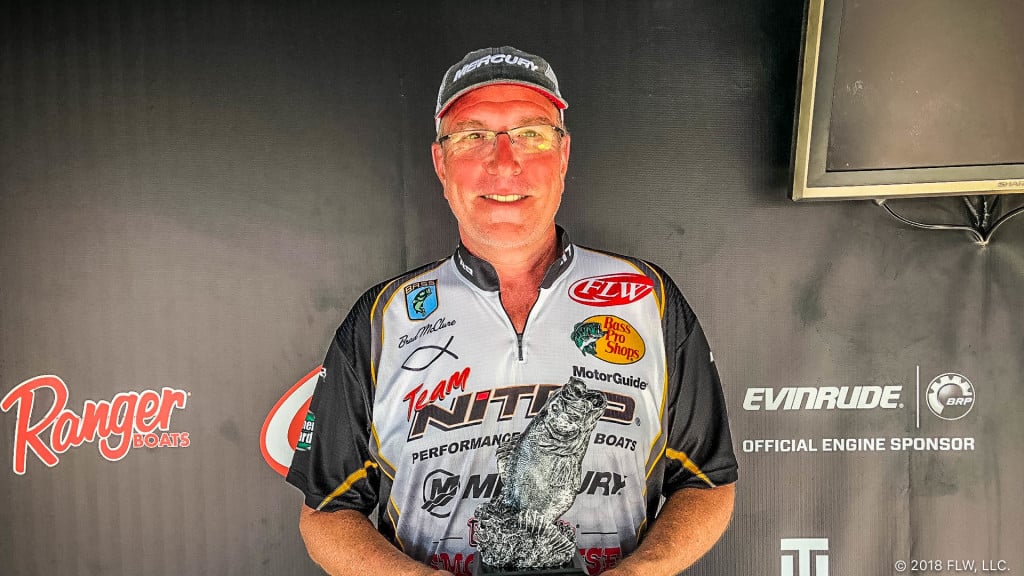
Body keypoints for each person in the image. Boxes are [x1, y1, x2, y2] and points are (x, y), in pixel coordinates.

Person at [287, 46, 738, 576]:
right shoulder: (381, 319)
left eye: (531, 134)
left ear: (563, 156)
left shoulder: (647, 298)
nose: (504, 162)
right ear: (441, 164)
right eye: (473, 136)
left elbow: (707, 483)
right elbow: (326, 513)